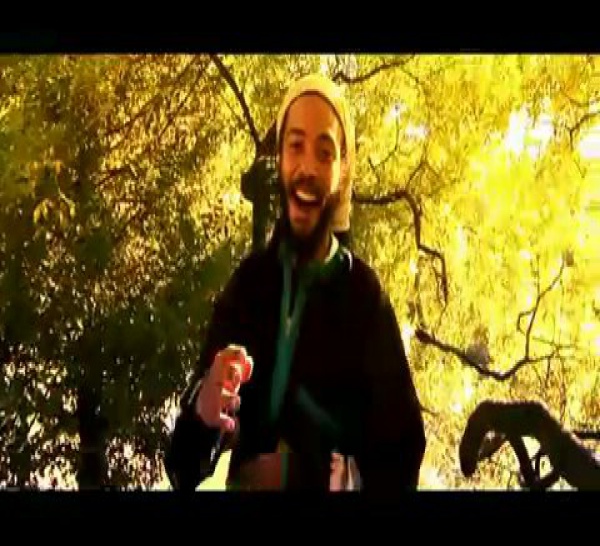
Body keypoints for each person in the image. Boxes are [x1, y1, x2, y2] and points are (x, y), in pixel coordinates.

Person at [164, 73, 426, 491]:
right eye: (296, 146)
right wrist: (205, 411)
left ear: (342, 173)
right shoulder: (249, 286)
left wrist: (301, 475)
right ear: (281, 160)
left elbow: (401, 459)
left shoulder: (365, 299)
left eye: (324, 153)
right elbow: (182, 467)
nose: (307, 168)